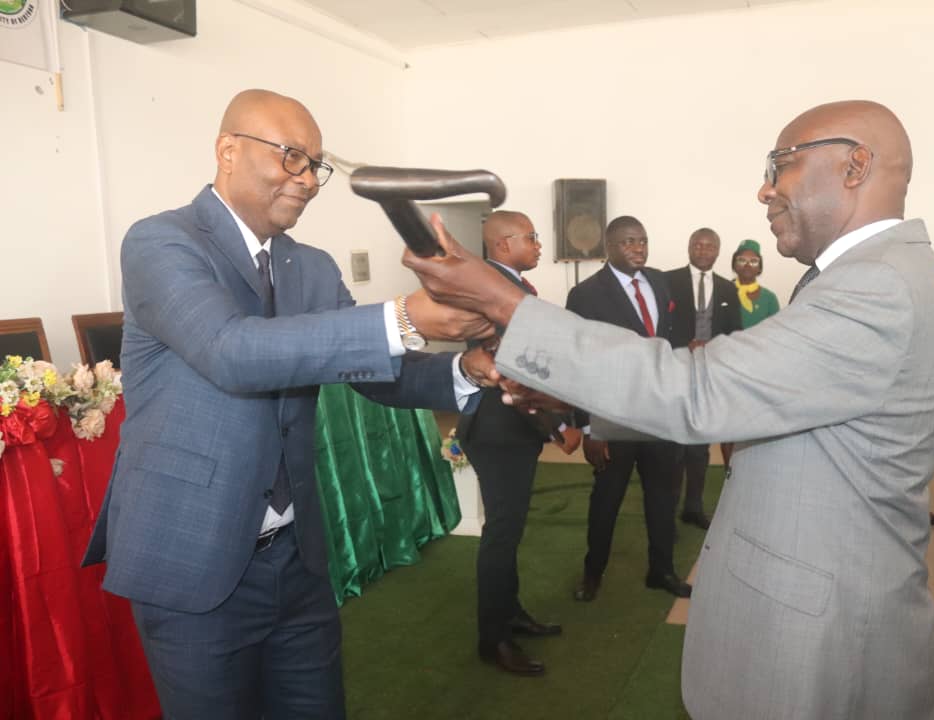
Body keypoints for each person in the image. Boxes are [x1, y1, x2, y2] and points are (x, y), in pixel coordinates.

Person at [404, 99, 934, 719]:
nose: (765, 188)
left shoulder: (876, 284)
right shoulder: (874, 274)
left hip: (826, 627)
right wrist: (574, 401)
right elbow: (758, 400)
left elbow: (699, 390)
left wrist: (505, 303)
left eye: (780, 165)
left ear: (855, 166)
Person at [83, 89, 495, 720]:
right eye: (292, 157)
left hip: (296, 563)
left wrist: (466, 370)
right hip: (194, 560)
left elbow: (375, 374)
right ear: (227, 150)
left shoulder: (312, 267)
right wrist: (403, 316)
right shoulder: (161, 242)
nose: (307, 179)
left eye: (316, 165)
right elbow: (231, 351)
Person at [455, 210, 566, 676]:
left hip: (513, 427)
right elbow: (512, 369)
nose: (539, 245)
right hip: (498, 427)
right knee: (501, 534)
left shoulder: (511, 286)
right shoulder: (492, 290)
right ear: (503, 244)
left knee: (510, 529)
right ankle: (493, 639)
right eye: (532, 237)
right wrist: (556, 421)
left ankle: (510, 612)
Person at [564, 215, 692, 602]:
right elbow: (578, 364)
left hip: (659, 413)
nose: (638, 248)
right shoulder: (586, 294)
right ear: (609, 247)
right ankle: (593, 572)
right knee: (607, 500)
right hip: (613, 416)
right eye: (628, 242)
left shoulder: (660, 281)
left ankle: (662, 570)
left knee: (663, 496)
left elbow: (668, 342)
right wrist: (588, 428)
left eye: (643, 241)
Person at [664, 228, 741, 529]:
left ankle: (693, 508)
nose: (703, 250)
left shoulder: (728, 288)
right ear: (689, 247)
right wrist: (685, 344)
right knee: (673, 449)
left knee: (699, 448)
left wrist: (715, 350)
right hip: (675, 372)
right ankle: (666, 514)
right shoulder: (668, 281)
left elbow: (735, 332)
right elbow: (659, 325)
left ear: (718, 251)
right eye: (698, 245)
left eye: (709, 246)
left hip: (709, 376)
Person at [730, 238, 780, 328]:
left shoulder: (769, 298)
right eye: (742, 260)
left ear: (760, 267)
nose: (747, 265)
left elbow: (775, 331)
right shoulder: (722, 292)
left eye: (753, 261)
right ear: (734, 265)